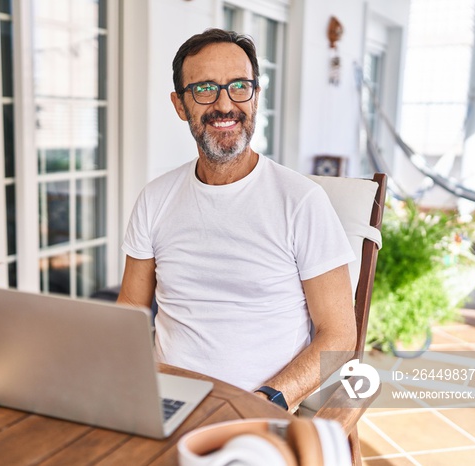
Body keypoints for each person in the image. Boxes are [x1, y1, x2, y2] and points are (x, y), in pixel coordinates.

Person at [117, 28, 356, 411]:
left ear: (256, 97)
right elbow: (132, 303)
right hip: (165, 400)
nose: (225, 105)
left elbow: (340, 335)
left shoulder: (301, 202)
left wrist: (270, 399)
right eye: (205, 89)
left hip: (258, 406)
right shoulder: (155, 198)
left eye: (239, 86)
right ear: (181, 105)